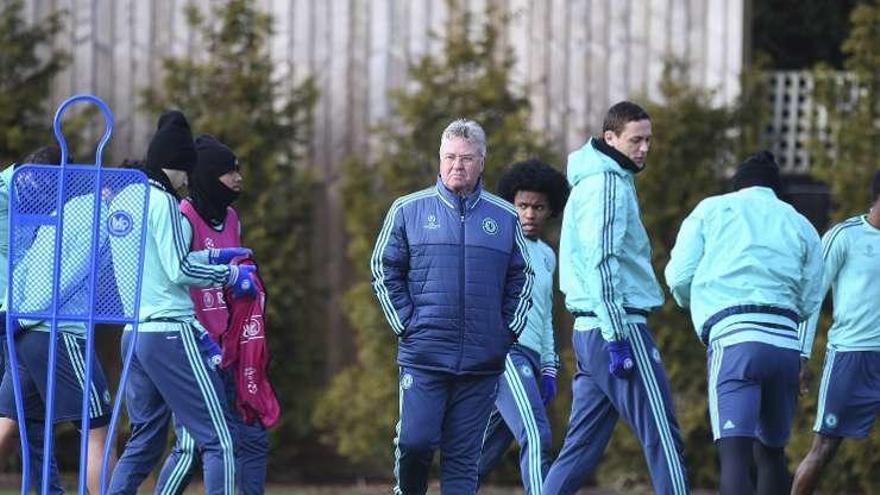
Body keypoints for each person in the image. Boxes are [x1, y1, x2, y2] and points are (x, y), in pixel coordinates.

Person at [371, 118, 533, 495]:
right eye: (449, 157)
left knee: (462, 462)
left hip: (481, 361)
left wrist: (505, 331)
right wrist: (406, 324)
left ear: (482, 162)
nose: (456, 166)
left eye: (466, 158)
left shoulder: (505, 217)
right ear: (439, 160)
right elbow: (384, 268)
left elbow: (522, 276)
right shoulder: (408, 210)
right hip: (424, 355)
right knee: (415, 443)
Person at [543, 101, 689, 495]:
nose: (644, 148)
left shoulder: (604, 180)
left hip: (589, 330)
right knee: (662, 434)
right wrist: (617, 337)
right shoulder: (607, 185)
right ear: (610, 139)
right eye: (635, 140)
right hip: (616, 327)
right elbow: (601, 264)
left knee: (580, 450)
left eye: (648, 140)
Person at [107, 110, 255, 495]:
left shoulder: (125, 200)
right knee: (218, 439)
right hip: (169, 332)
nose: (189, 179)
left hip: (133, 333)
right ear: (175, 168)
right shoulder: (164, 203)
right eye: (186, 171)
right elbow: (177, 269)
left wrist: (210, 258)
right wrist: (228, 273)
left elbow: (153, 262)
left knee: (144, 441)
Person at [665, 151, 823, 495]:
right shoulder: (800, 223)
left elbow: (678, 276)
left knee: (735, 457)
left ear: (737, 184)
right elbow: (812, 296)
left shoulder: (711, 209)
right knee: (771, 453)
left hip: (734, 340)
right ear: (775, 189)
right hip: (784, 345)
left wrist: (698, 303)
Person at [155, 135, 270, 494]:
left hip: (231, 346)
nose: (238, 178)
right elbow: (175, 275)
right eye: (228, 172)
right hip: (195, 346)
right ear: (206, 176)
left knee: (252, 436)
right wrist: (203, 340)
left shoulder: (232, 218)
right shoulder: (182, 217)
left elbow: (232, 276)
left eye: (238, 170)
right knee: (192, 446)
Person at [478, 159, 568, 494]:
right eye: (523, 205)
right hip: (505, 354)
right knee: (536, 434)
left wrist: (549, 367)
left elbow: (545, 314)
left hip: (532, 359)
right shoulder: (497, 244)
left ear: (550, 210)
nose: (530, 214)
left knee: (480, 453)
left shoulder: (547, 255)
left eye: (539, 207)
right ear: (511, 205)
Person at [790, 172, 880, 494]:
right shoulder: (844, 237)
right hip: (851, 356)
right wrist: (800, 355)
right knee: (824, 449)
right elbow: (811, 298)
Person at [0, 146, 68, 493]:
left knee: (33, 420)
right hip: (5, 315)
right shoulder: (3, 192)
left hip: (28, 318)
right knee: (11, 422)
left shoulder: (52, 199)